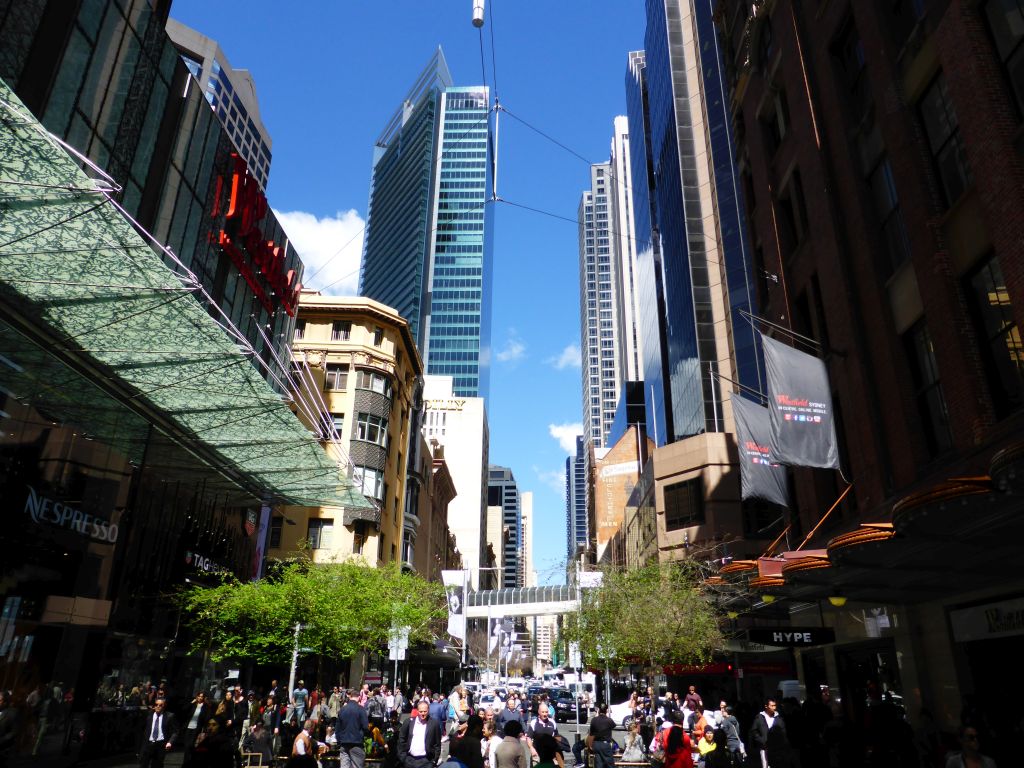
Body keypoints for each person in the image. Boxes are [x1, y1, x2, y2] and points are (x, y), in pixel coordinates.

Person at [398, 700, 442, 768]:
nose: (423, 714)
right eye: (421, 711)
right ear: (417, 711)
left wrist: (434, 761)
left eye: (425, 711)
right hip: (409, 760)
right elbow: (401, 740)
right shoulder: (408, 722)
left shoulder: (434, 724)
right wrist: (403, 758)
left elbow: (437, 744)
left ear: (428, 710)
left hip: (426, 761)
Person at [749, 698, 790, 768]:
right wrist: (761, 740)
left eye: (775, 705)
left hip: (776, 749)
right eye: (772, 706)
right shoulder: (759, 718)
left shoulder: (779, 718)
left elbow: (783, 733)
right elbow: (754, 731)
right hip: (764, 748)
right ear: (766, 706)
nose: (774, 707)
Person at [139, 697, 178, 768]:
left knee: (157, 765)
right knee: (143, 764)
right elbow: (141, 728)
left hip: (160, 745)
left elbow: (175, 731)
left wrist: (170, 742)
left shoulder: (169, 716)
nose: (158, 706)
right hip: (148, 744)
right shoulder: (148, 715)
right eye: (156, 704)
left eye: (160, 705)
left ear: (164, 706)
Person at [337, 687, 371, 768]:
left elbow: (337, 728)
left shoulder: (343, 709)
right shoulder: (361, 710)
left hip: (344, 744)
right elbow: (365, 727)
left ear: (350, 696)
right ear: (359, 697)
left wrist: (339, 741)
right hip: (357, 743)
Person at [182, 692, 211, 766]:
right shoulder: (193, 705)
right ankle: (186, 763)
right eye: (199, 696)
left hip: (196, 728)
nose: (200, 698)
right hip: (188, 727)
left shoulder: (205, 706)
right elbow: (184, 710)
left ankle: (190, 762)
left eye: (202, 697)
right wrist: (192, 702)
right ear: (196, 697)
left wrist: (204, 729)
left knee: (191, 745)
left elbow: (206, 718)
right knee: (186, 745)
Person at [587, 703, 617, 768]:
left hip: (596, 744)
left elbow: (591, 734)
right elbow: (613, 726)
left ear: (599, 710)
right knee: (610, 764)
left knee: (599, 764)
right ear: (606, 710)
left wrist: (590, 745)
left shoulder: (594, 720)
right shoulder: (609, 720)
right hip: (605, 744)